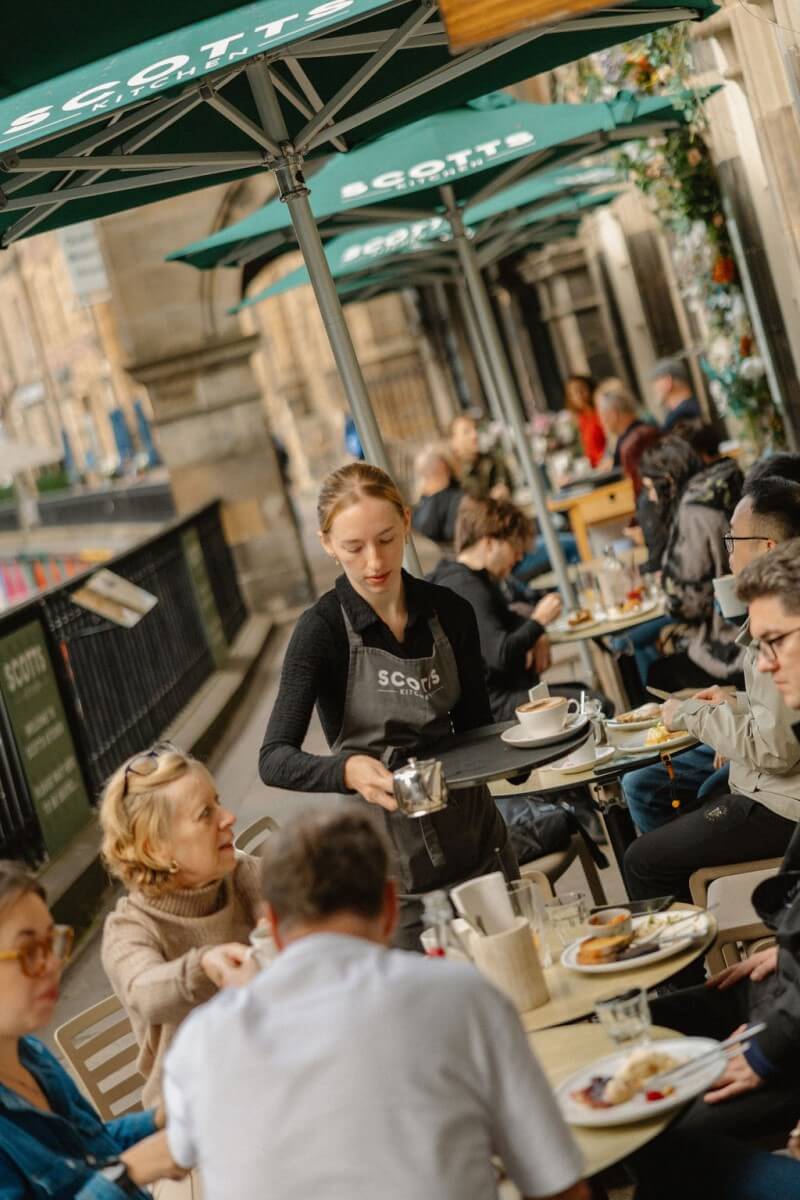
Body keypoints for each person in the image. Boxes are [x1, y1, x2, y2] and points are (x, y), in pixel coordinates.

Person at [162, 807, 588, 1200]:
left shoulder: (198, 1041)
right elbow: (559, 1185)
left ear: (272, 925)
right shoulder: (462, 996)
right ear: (389, 906)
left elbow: (185, 1152)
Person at [259, 463, 517, 950]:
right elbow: (273, 758)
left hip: (479, 843)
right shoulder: (320, 632)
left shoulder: (450, 611)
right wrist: (346, 770)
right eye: (354, 548)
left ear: (406, 522)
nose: (374, 561)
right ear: (327, 544)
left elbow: (476, 728)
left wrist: (521, 750)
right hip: (391, 871)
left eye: (386, 539)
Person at [623, 478, 800, 900]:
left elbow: (777, 750)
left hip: (785, 802)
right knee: (670, 789)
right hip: (772, 787)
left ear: (768, 547)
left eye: (732, 540)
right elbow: (781, 721)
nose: (728, 553)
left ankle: (698, 928)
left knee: (642, 859)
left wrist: (692, 714)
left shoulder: (786, 613)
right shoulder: (778, 612)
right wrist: (734, 702)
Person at [0, 860, 183, 1198]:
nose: (53, 964)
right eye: (29, 950)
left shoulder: (31, 1055)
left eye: (52, 942)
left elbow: (91, 1148)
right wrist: (129, 1172)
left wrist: (161, 1117)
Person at [100, 744, 262, 1108]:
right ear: (156, 848)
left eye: (218, 802)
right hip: (196, 1110)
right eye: (206, 814)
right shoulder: (129, 928)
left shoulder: (240, 874)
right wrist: (204, 966)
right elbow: (144, 992)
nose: (229, 817)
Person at [640, 435, 744, 692]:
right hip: (751, 626)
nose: (651, 497)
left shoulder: (693, 512)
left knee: (657, 674)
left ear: (667, 480)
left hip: (732, 647)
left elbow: (689, 603)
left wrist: (667, 587)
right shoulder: (729, 486)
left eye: (650, 487)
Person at [449, 413, 514, 500]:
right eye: (466, 432)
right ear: (454, 441)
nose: (474, 435)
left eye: (475, 428)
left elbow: (508, 485)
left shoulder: (492, 461)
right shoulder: (451, 474)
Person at [411, 445, 464, 545]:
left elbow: (448, 533)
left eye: (427, 472)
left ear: (442, 466)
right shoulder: (423, 499)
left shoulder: (457, 497)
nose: (423, 479)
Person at [594, 378, 646, 468]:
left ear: (613, 414)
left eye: (601, 415)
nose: (601, 422)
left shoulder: (629, 444)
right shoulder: (642, 428)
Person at [649, 357, 702, 431]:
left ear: (667, 382)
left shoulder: (681, 415)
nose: (654, 390)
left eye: (655, 383)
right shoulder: (692, 407)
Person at [564, 374, 606, 467]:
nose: (579, 395)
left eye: (582, 389)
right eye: (574, 393)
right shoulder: (582, 418)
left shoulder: (602, 412)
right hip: (596, 466)